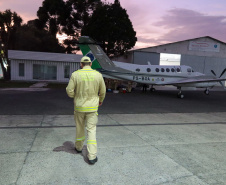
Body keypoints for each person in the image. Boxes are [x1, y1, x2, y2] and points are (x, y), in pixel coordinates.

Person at [66, 56, 106, 165]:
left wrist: (77, 97)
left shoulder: (75, 74)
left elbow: (69, 91)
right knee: (91, 130)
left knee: (80, 128)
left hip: (79, 107)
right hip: (92, 108)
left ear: (81, 64)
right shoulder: (98, 75)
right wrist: (100, 100)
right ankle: (92, 156)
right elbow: (103, 91)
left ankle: (78, 148)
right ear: (91, 64)